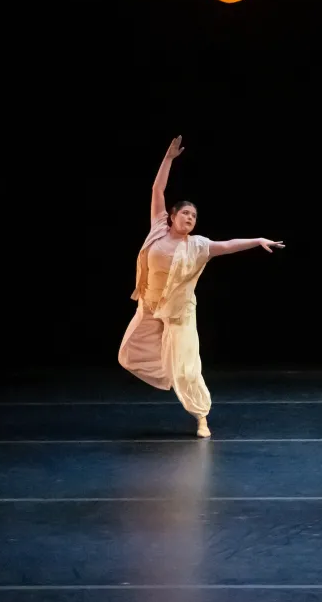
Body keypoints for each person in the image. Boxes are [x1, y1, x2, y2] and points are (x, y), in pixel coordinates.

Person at [118, 136, 285, 438]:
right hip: (149, 305)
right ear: (171, 215)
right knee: (127, 354)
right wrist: (168, 159)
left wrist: (257, 240)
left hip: (179, 313)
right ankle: (169, 370)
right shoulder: (157, 229)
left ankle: (200, 417)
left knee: (187, 369)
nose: (191, 218)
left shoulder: (198, 246)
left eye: (194, 216)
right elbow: (157, 189)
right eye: (185, 213)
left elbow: (228, 245)